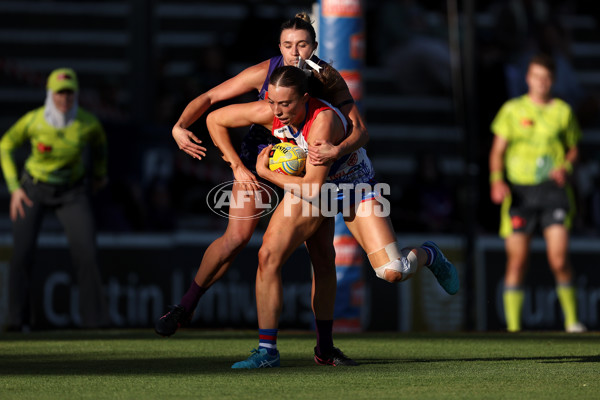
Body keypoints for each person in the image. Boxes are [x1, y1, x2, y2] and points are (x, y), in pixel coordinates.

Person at [204, 65, 459, 368]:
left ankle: (429, 254)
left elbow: (312, 189)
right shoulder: (272, 110)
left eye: (285, 104)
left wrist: (264, 173)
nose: (277, 110)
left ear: (305, 98)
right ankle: (267, 351)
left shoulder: (322, 122)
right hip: (317, 189)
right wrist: (236, 165)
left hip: (354, 187)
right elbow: (214, 118)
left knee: (393, 271)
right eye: (272, 102)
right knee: (268, 256)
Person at [155, 13, 369, 366]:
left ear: (314, 47)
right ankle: (185, 306)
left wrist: (338, 150)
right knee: (237, 238)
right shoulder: (267, 75)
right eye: (287, 45)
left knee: (322, 256)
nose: (294, 53)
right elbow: (211, 101)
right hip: (266, 158)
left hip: (313, 164)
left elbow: (359, 129)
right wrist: (183, 128)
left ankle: (325, 349)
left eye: (302, 45)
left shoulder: (326, 78)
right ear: (279, 47)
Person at [0, 68, 109, 330]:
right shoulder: (34, 121)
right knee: (22, 254)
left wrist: (99, 175)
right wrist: (15, 189)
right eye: (60, 92)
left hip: (72, 192)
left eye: (70, 92)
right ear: (50, 94)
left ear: (77, 94)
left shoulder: (87, 124)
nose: (64, 98)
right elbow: (5, 145)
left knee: (87, 254)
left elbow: (100, 146)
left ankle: (94, 324)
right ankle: (16, 322)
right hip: (33, 190)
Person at [488, 54, 586, 333]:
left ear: (552, 81)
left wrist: (566, 166)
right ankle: (514, 329)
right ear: (528, 78)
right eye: (536, 77)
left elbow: (575, 148)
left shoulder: (562, 111)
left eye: (546, 78)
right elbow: (497, 151)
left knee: (559, 258)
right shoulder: (512, 110)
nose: (541, 83)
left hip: (553, 190)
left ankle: (572, 321)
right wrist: (497, 180)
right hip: (520, 192)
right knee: (517, 260)